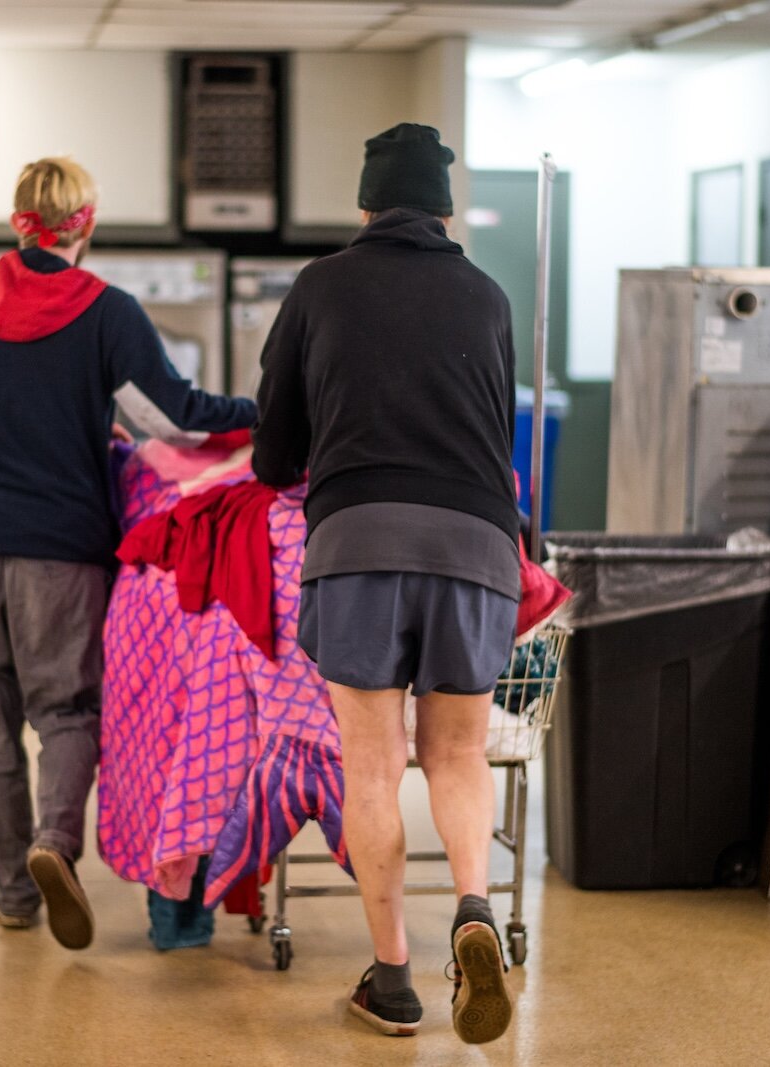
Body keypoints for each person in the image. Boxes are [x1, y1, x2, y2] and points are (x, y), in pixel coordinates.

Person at [0, 157, 257, 950]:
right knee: (68, 712)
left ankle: (14, 890)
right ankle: (55, 843)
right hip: (60, 548)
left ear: (19, 220)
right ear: (86, 224)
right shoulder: (106, 309)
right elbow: (176, 418)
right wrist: (266, 412)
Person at [252, 124, 521, 1044]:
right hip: (480, 545)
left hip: (359, 536)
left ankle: (395, 978)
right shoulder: (487, 296)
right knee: (457, 753)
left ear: (366, 206)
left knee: (372, 761)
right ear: (444, 211)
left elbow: (273, 448)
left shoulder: (321, 285)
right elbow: (500, 434)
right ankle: (477, 907)